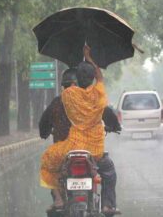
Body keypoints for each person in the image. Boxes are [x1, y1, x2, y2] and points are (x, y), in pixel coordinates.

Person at [40, 45, 120, 214]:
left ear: (75, 81)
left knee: (48, 161)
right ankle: (107, 205)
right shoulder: (98, 95)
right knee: (109, 171)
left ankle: (59, 200)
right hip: (95, 151)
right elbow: (100, 79)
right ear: (92, 79)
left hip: (73, 146)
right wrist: (90, 58)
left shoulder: (69, 96)